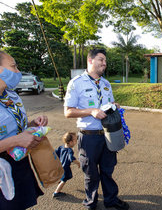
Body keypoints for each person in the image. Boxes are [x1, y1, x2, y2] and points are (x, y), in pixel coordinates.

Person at [64, 48, 129, 210]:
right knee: (91, 173)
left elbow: (109, 105)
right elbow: (68, 112)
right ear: (90, 61)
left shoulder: (106, 84)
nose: (104, 64)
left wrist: (114, 106)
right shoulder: (76, 83)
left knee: (108, 170)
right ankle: (90, 203)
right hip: (89, 137)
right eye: (101, 60)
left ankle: (111, 200)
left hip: (108, 135)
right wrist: (90, 111)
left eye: (105, 61)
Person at [0, 51, 48, 209]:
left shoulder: (10, 96)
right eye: (13, 66)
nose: (18, 72)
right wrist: (16, 140)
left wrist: (32, 124)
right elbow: (14, 138)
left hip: (19, 161)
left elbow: (15, 127)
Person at [53, 132, 80, 198]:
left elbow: (55, 152)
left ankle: (59, 181)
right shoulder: (69, 150)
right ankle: (56, 192)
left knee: (61, 176)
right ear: (70, 142)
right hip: (65, 167)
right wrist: (78, 163)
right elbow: (72, 159)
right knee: (64, 180)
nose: (76, 142)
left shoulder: (61, 147)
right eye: (75, 141)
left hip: (60, 165)